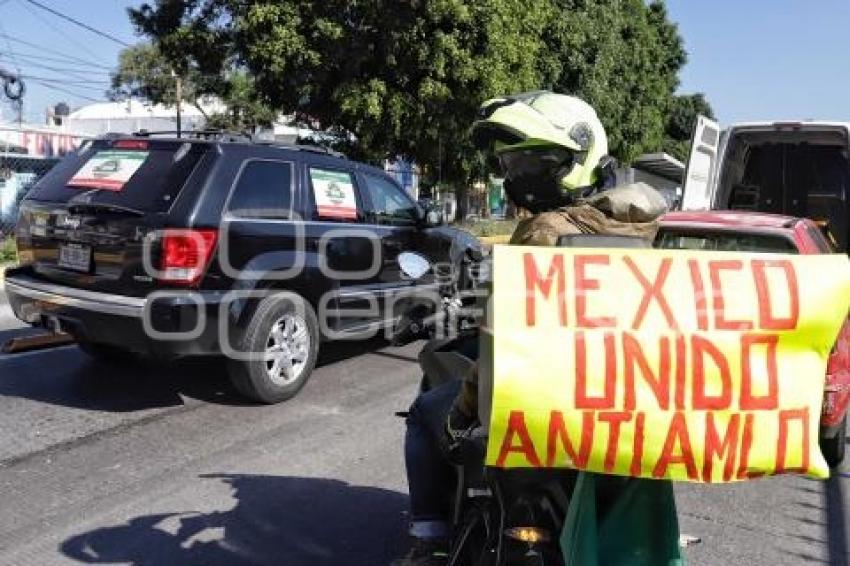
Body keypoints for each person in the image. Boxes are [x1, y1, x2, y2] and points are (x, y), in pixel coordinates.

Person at [394, 91, 677, 566]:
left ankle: (431, 540)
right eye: (510, 164)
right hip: (627, 405)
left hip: (545, 403)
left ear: (578, 156)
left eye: (531, 163)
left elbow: (502, 343)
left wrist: (464, 410)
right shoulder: (656, 225)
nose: (516, 177)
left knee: (425, 414)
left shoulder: (546, 232)